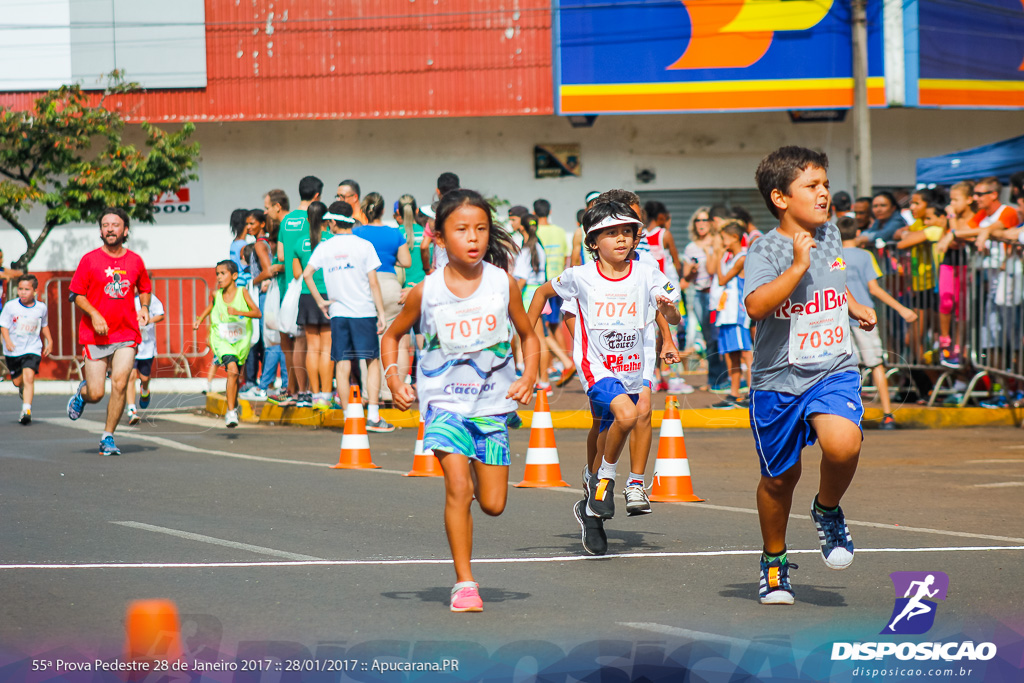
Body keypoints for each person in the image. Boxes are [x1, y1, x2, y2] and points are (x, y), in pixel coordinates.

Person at [380, 188, 538, 612]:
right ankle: (464, 583)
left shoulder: (503, 284)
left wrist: (529, 375)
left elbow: (528, 334)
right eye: (462, 229)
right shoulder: (426, 292)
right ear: (440, 237)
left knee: (493, 504)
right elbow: (392, 336)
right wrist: (395, 379)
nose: (473, 238)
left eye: (481, 229)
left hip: (490, 406)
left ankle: (471, 540)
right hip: (443, 404)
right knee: (457, 485)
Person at [744, 146, 877, 605]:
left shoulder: (833, 233)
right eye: (812, 187)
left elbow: (832, 284)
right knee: (780, 479)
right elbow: (756, 307)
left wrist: (853, 306)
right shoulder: (766, 248)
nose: (824, 194)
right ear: (780, 198)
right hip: (778, 379)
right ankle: (775, 563)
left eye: (824, 184)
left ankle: (827, 510)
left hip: (832, 368)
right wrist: (797, 265)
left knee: (844, 443)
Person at [528, 200, 681, 553]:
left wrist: (669, 317)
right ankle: (603, 482)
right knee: (627, 416)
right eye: (611, 233)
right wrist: (526, 333)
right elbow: (541, 294)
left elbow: (670, 313)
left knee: (618, 425)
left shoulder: (649, 272)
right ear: (593, 241)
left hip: (635, 366)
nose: (622, 239)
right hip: (597, 366)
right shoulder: (579, 276)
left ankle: (598, 501)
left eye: (627, 232)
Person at [66, 207, 153, 456]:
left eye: (115, 225)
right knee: (96, 393)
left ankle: (108, 436)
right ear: (101, 231)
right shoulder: (90, 260)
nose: (110, 229)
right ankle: (82, 395)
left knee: (120, 382)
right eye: (105, 225)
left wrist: (144, 307)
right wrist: (94, 314)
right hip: (95, 336)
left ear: (125, 230)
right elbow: (76, 294)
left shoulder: (135, 260)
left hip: (126, 333)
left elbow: (144, 287)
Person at [303, 202, 393, 431]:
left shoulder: (325, 247)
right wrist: (381, 313)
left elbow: (307, 274)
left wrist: (320, 301)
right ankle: (372, 416)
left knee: (342, 364)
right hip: (364, 312)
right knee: (372, 361)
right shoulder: (364, 246)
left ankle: (348, 419)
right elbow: (373, 282)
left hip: (339, 313)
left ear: (332, 222)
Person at [839, 216, 918, 429]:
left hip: (839, 318)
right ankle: (887, 413)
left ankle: (848, 414)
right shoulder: (865, 255)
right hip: (864, 317)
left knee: (847, 369)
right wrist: (901, 308)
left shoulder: (833, 255)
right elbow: (874, 289)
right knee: (876, 365)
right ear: (857, 233)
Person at [356, 192, 412, 402]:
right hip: (390, 285)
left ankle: (370, 394)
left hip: (366, 287)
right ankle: (393, 392)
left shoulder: (357, 233)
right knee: (398, 341)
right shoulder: (395, 233)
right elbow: (406, 261)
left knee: (367, 344)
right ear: (383, 211)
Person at [194, 260, 261, 428]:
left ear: (234, 276)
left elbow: (257, 313)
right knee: (232, 370)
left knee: (235, 375)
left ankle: (233, 404)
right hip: (222, 340)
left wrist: (238, 312)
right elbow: (211, 307)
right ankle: (231, 412)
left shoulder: (242, 292)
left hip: (240, 340)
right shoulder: (217, 295)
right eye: (217, 274)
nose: (219, 277)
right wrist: (199, 320)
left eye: (222, 273)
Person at [276, 178, 321, 407]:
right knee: (311, 342)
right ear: (317, 196)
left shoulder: (286, 220)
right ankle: (314, 391)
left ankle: (294, 390)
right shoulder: (315, 218)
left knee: (292, 343)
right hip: (314, 287)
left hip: (289, 288)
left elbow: (282, 257)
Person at [682, 207, 729, 392]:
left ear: (710, 223)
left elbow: (714, 269)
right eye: (697, 221)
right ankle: (714, 379)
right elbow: (686, 276)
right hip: (700, 294)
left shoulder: (718, 241)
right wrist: (691, 271)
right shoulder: (691, 247)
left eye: (704, 220)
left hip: (717, 294)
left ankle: (725, 378)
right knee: (709, 339)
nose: (701, 224)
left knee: (721, 336)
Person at [293, 201, 334, 410]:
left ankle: (315, 394)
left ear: (307, 219)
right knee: (327, 347)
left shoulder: (299, 242)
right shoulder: (333, 240)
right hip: (329, 295)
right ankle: (326, 396)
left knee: (312, 347)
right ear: (327, 218)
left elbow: (296, 274)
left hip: (307, 295)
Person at [708, 221, 752, 409]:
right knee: (732, 355)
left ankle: (752, 392)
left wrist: (718, 254)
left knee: (745, 353)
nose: (722, 241)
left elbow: (722, 278)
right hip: (727, 313)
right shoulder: (731, 258)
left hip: (737, 314)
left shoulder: (742, 257)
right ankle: (734, 393)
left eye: (724, 238)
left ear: (734, 237)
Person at [934, 181, 975, 368]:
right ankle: (945, 339)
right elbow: (948, 240)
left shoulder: (973, 218)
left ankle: (958, 344)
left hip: (965, 265)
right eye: (950, 199)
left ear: (968, 200)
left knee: (961, 306)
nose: (952, 203)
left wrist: (951, 220)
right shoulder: (949, 217)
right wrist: (951, 230)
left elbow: (959, 237)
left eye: (956, 200)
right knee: (946, 300)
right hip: (949, 263)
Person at [533, 199, 574, 383]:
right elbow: (567, 255)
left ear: (534, 214)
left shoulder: (536, 232)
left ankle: (553, 365)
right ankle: (559, 362)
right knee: (556, 323)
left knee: (543, 328)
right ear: (549, 211)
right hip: (559, 281)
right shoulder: (559, 231)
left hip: (544, 285)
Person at [1, 274, 51, 425]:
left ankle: (26, 410)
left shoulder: (41, 307)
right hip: (14, 350)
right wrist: (7, 340)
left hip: (32, 347)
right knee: (17, 382)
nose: (22, 292)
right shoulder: (11, 306)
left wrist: (50, 340)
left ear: (35, 291)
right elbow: (3, 326)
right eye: (20, 289)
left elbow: (44, 325)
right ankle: (22, 388)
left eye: (27, 289)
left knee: (29, 377)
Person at [395, 194, 426, 385]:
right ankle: (424, 381)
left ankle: (402, 385)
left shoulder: (395, 234)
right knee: (423, 339)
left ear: (398, 212)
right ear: (416, 211)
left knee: (403, 342)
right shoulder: (426, 233)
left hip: (400, 292)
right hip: (423, 290)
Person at [126, 288, 165, 425]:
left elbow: (161, 314)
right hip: (130, 343)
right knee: (130, 376)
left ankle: (144, 389)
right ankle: (131, 409)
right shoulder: (126, 298)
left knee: (144, 377)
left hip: (147, 346)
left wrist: (149, 320)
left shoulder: (150, 299)